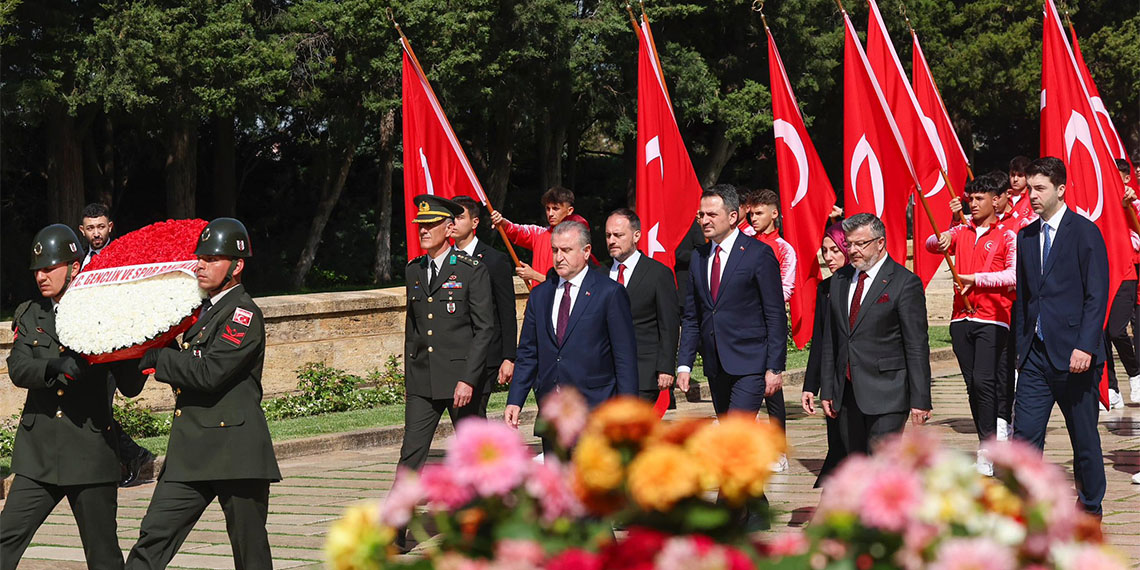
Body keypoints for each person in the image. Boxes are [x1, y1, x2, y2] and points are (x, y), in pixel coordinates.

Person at [126, 218, 282, 569]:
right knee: (153, 538)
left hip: (235, 453)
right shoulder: (199, 311)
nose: (200, 265)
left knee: (250, 552)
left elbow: (210, 372)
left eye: (212, 259)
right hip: (191, 450)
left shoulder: (243, 314)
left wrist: (161, 358)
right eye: (200, 258)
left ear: (236, 266)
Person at [1, 224, 146, 570]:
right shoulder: (31, 313)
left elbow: (131, 386)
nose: (41, 276)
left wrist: (139, 345)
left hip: (89, 453)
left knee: (103, 555)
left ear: (74, 267)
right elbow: (18, 367)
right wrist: (52, 366)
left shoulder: (105, 313)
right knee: (5, 539)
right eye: (37, 269)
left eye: (50, 268)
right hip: (39, 456)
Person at [1011, 157, 1108, 517]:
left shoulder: (1084, 232)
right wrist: (1021, 350)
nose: (1032, 195)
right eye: (1030, 189)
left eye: (1040, 188)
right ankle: (1022, 510)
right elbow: (1025, 298)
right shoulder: (1026, 236)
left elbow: (1096, 295)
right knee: (1024, 439)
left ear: (1061, 189)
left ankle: (1090, 509)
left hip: (1075, 357)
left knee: (1084, 440)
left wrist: (1085, 345)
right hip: (1035, 357)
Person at [505, 221, 638, 439]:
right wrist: (515, 400)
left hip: (596, 413)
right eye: (555, 250)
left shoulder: (609, 293)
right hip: (553, 414)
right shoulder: (540, 295)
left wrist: (628, 411)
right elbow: (528, 353)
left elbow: (624, 357)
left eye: (566, 250)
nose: (559, 257)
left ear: (586, 252)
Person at [926, 172, 1017, 475]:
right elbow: (931, 243)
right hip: (961, 317)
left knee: (983, 381)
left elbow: (1013, 275)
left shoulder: (1007, 235)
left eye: (980, 199)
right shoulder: (962, 231)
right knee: (972, 386)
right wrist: (941, 238)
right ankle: (987, 440)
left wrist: (975, 279)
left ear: (996, 200)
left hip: (993, 318)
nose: (974, 204)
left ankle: (988, 448)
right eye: (971, 199)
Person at [819, 213, 932, 455]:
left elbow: (916, 346)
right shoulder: (839, 280)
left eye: (861, 244)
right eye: (849, 244)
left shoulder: (904, 282)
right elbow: (831, 339)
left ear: (880, 243)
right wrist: (827, 389)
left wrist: (920, 400)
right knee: (854, 465)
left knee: (881, 463)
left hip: (888, 392)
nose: (853, 250)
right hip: (846, 393)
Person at [400, 195, 494, 471]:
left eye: (431, 225)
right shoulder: (414, 270)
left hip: (459, 380)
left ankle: (492, 497)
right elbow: (412, 330)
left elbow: (484, 329)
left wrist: (468, 379)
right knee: (411, 453)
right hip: (423, 380)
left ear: (450, 228)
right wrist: (410, 380)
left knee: (477, 455)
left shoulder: (470, 270)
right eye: (421, 225)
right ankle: (401, 499)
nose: (424, 231)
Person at [676, 184, 786, 421]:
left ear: (733, 216)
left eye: (712, 214)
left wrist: (775, 367)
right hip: (716, 366)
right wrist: (684, 364)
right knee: (729, 434)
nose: (705, 220)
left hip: (750, 364)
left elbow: (775, 314)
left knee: (735, 431)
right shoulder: (698, 257)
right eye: (702, 214)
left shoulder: (758, 254)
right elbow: (692, 316)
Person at [77, 202, 157, 486]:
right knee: (93, 407)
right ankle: (131, 456)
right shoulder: (79, 262)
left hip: (122, 347)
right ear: (82, 231)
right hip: (92, 347)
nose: (96, 233)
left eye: (101, 227)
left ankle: (131, 457)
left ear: (110, 226)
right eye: (91, 228)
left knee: (99, 408)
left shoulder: (127, 256)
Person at [743, 188, 797, 472]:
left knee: (772, 391)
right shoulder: (742, 242)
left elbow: (786, 288)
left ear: (774, 213)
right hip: (741, 328)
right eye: (751, 213)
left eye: (759, 213)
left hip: (767, 326)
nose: (753, 218)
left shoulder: (784, 249)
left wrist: (753, 302)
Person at [604, 208, 679, 404]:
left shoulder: (658, 273)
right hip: (605, 375)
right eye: (608, 235)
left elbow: (668, 324)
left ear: (636, 236)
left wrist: (666, 367)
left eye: (618, 235)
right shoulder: (600, 275)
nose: (612, 240)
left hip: (643, 373)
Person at [452, 195, 518, 415]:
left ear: (475, 222)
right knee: (463, 416)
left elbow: (506, 310)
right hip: (455, 353)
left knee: (473, 413)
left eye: (460, 217)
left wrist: (509, 357)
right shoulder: (445, 259)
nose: (453, 222)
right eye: (451, 217)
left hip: (487, 353)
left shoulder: (494, 260)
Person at [801, 222, 849, 487]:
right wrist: (811, 385)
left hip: (864, 378)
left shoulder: (865, 285)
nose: (828, 257)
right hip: (834, 380)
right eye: (825, 251)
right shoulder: (825, 289)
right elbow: (819, 340)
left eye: (835, 250)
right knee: (838, 443)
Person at [489, 186, 591, 286]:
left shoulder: (577, 239)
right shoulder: (540, 234)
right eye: (548, 209)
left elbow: (571, 283)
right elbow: (516, 230)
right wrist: (502, 222)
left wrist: (534, 275)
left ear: (569, 210)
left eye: (555, 208)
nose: (550, 214)